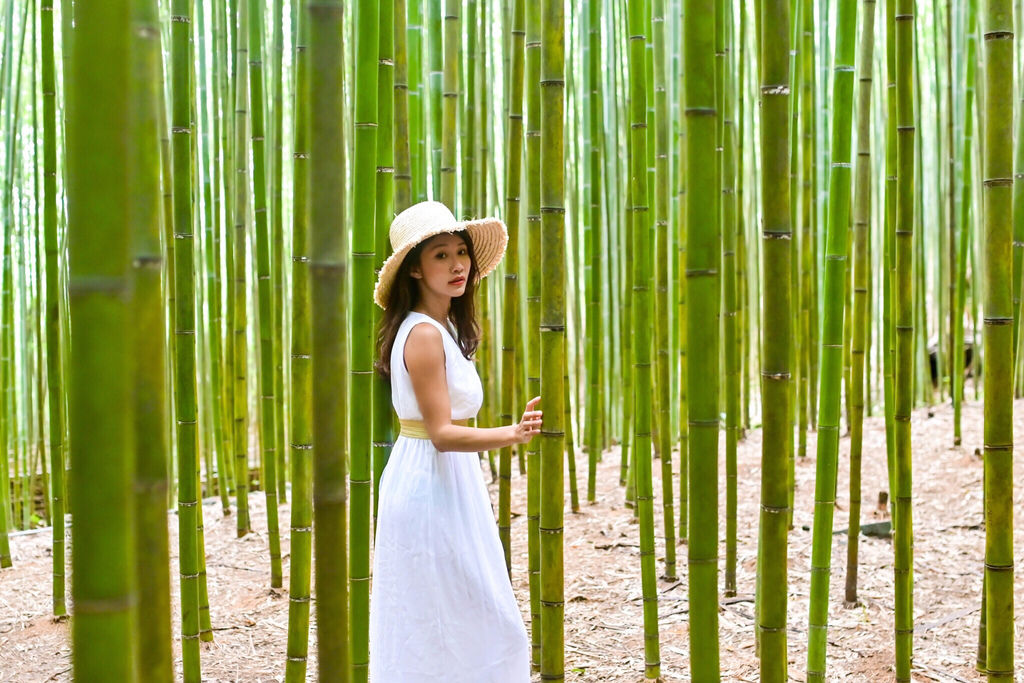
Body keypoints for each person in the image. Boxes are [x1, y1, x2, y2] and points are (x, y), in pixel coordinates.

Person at [369, 200, 540, 682]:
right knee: (450, 621)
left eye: (461, 251)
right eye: (440, 255)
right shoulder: (422, 334)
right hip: (428, 485)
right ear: (416, 271)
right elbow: (441, 434)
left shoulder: (442, 328)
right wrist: (513, 433)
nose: (457, 264)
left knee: (462, 618)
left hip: (446, 482)